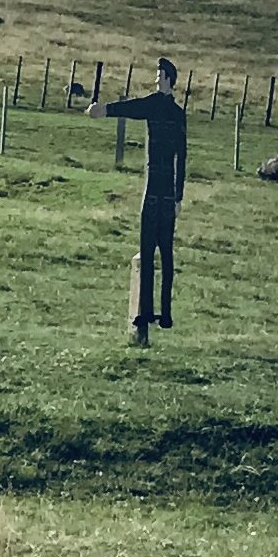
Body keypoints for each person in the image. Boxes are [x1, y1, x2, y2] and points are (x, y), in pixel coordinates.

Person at [90, 58, 188, 345]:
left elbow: (181, 157)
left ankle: (164, 312)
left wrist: (179, 196)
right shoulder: (158, 106)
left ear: (169, 78)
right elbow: (130, 107)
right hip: (155, 187)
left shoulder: (172, 112)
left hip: (165, 188)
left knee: (165, 254)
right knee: (148, 250)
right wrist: (105, 110)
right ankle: (146, 312)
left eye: (160, 74)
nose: (157, 78)